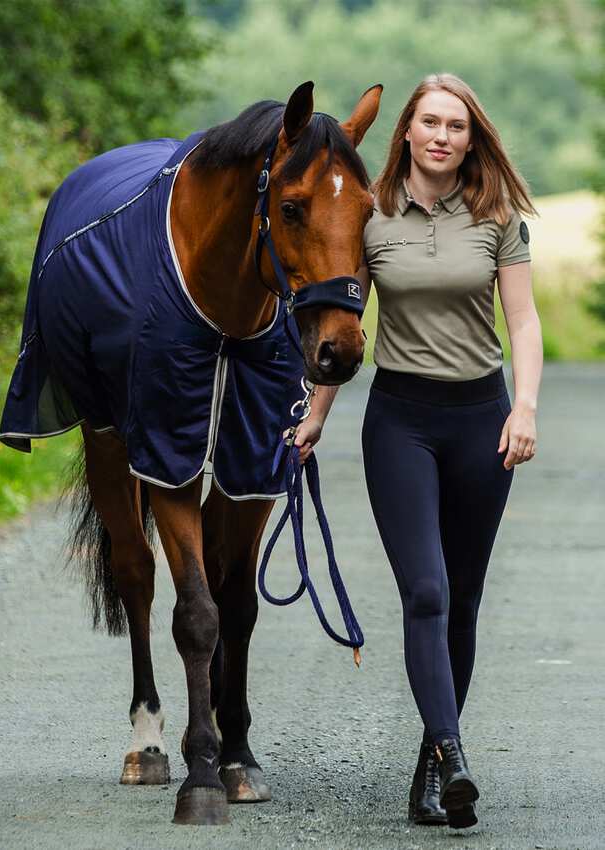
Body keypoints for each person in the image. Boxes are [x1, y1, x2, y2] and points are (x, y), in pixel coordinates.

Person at [293, 73, 543, 829]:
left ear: (472, 139)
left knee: (461, 601)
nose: (442, 136)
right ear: (406, 131)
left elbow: (524, 324)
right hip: (400, 422)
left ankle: (431, 773)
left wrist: (525, 405)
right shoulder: (370, 217)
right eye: (430, 122)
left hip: (481, 422)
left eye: (456, 127)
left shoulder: (497, 215)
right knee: (426, 594)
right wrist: (316, 413)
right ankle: (454, 751)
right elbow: (347, 321)